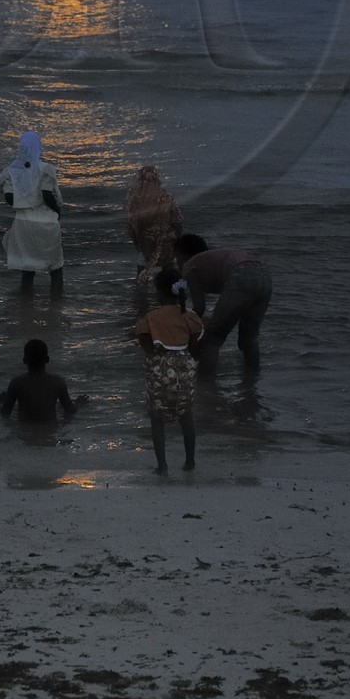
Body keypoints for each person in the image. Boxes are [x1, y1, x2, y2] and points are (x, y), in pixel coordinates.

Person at [135, 267, 204, 474]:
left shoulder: (151, 317)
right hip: (185, 368)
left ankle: (162, 466)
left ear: (159, 292)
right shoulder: (190, 317)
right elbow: (195, 347)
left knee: (157, 419)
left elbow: (146, 345)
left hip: (160, 369)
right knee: (186, 415)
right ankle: (190, 462)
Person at [174, 234, 272, 376]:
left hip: (241, 275)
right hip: (264, 276)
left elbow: (199, 308)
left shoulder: (190, 265)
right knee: (249, 338)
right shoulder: (208, 258)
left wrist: (181, 326)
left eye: (176, 257)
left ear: (182, 255)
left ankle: (206, 383)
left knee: (213, 337)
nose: (177, 262)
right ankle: (252, 380)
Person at [0, 130, 65, 294]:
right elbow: (47, 194)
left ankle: (25, 302)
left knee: (27, 269)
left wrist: (24, 202)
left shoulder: (12, 171)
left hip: (23, 223)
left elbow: (9, 198)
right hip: (46, 222)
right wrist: (57, 211)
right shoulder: (45, 169)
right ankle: (56, 303)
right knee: (55, 267)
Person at [0, 339, 89, 425]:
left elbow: (5, 412)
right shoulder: (57, 382)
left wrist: (3, 402)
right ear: (47, 359)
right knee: (59, 408)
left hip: (24, 429)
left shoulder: (16, 383)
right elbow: (70, 410)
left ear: (24, 360)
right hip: (51, 429)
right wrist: (78, 404)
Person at [124, 166, 183, 283]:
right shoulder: (166, 196)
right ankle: (170, 292)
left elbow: (131, 226)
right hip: (168, 241)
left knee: (142, 273)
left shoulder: (132, 200)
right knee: (169, 272)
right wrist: (177, 238)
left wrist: (137, 244)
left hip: (147, 243)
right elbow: (178, 220)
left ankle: (142, 291)